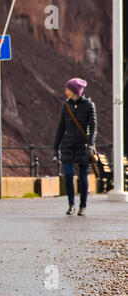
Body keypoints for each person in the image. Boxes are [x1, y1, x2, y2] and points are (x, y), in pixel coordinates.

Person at [53, 78, 97, 216]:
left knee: (83, 177)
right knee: (68, 175)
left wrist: (90, 144)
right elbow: (61, 128)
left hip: (82, 147)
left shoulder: (89, 105)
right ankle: (71, 204)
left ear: (74, 91)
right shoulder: (66, 106)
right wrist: (55, 148)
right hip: (67, 146)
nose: (65, 91)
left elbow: (93, 127)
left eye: (67, 89)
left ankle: (82, 205)